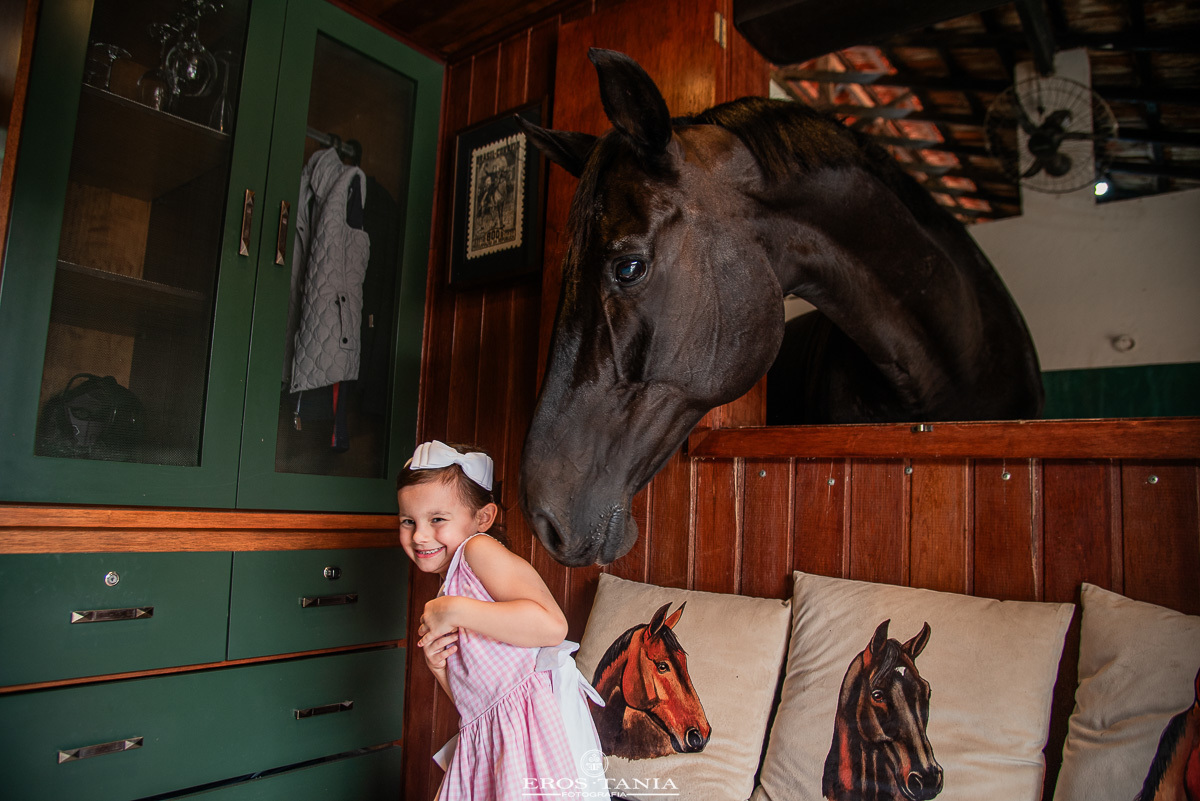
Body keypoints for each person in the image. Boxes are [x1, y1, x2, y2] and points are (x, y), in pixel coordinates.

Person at [398, 440, 608, 801]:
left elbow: (552, 626)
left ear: (483, 518)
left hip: (534, 731)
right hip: (493, 734)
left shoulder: (478, 550)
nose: (419, 535)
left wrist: (455, 609)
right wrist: (438, 668)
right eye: (408, 521)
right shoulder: (451, 588)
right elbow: (478, 701)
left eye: (437, 519)